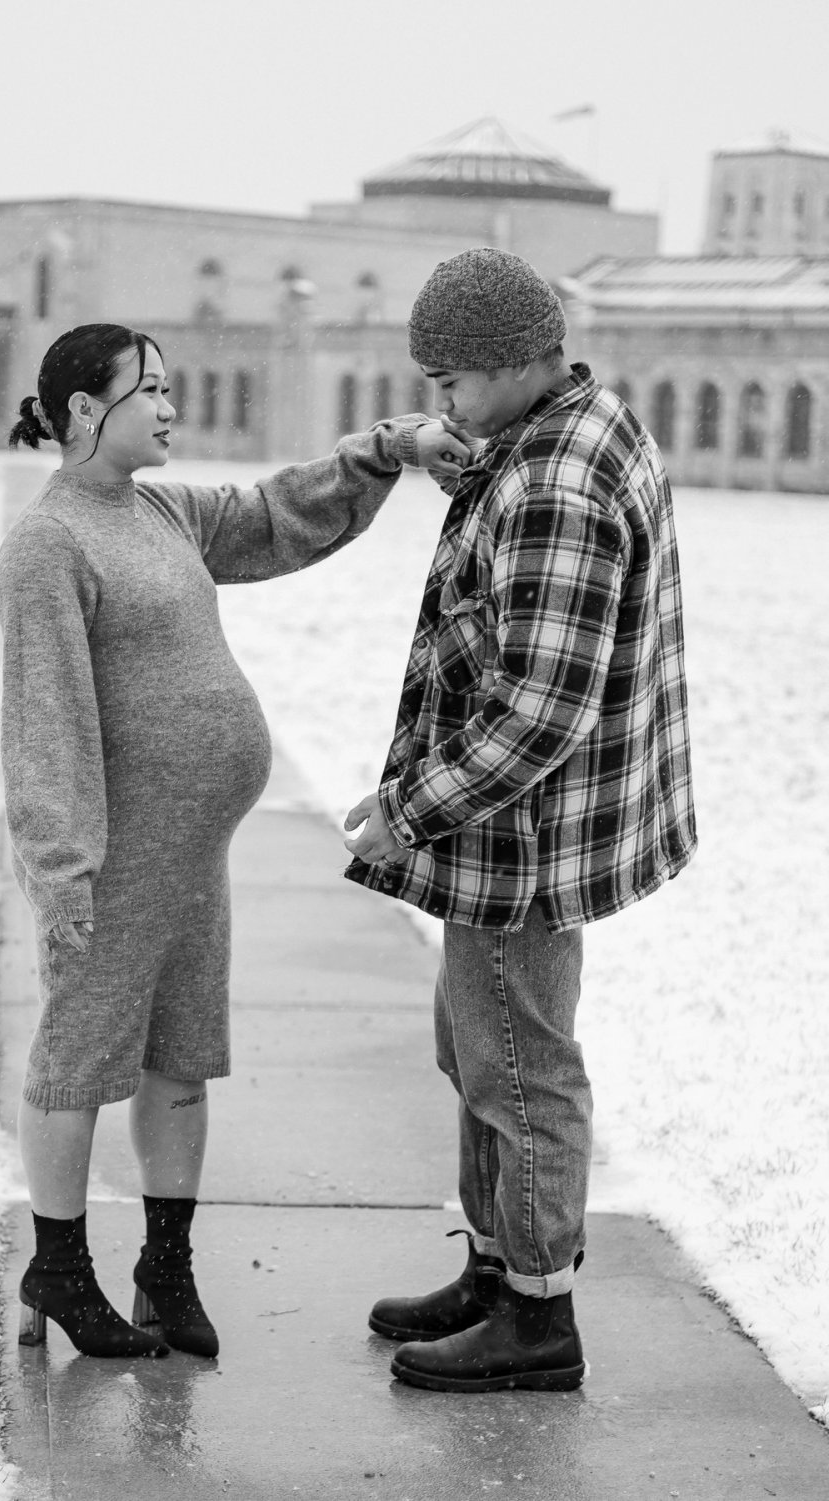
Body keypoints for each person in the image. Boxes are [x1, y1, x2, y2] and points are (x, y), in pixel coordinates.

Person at [0, 322, 469, 1360]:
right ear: (85, 410)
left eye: (168, 387)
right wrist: (61, 872)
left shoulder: (158, 510)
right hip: (114, 856)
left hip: (191, 852)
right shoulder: (50, 543)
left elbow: (271, 516)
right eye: (149, 390)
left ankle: (166, 1269)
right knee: (78, 1061)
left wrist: (382, 450)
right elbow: (46, 722)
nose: (171, 406)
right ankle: (59, 1267)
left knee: (180, 1062)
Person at [343, 249, 696, 1394]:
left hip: (520, 834)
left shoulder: (553, 484)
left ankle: (537, 1316)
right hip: (531, 827)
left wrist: (407, 810)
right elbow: (504, 495)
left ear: (509, 364)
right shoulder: (571, 427)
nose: (440, 402)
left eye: (448, 381)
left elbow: (539, 712)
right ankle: (498, 1269)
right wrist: (432, 444)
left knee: (513, 1063)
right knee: (475, 1040)